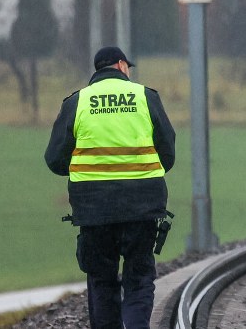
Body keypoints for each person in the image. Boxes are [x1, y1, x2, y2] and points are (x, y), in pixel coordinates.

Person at [45, 46, 176, 329]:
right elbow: (168, 153)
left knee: (102, 281)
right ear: (121, 65)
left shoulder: (77, 102)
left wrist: (87, 168)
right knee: (139, 278)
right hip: (142, 208)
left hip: (94, 211)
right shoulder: (145, 97)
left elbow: (54, 159)